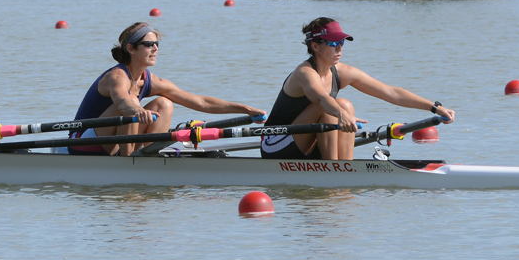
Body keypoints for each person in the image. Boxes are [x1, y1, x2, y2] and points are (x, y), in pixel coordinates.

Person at [260, 17, 455, 161]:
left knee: (346, 104)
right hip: (276, 144)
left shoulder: (342, 72)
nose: (340, 49)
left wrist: (434, 107)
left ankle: (345, 166)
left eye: (341, 43)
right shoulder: (304, 73)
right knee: (333, 107)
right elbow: (320, 99)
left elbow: (391, 93)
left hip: (307, 139)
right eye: (333, 43)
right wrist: (341, 115)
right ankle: (334, 170)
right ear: (316, 46)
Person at [68, 22, 264, 155]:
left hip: (112, 139)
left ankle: (144, 156)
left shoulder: (151, 81)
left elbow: (201, 102)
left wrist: (245, 109)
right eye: (148, 44)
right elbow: (123, 102)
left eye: (157, 44)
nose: (155, 49)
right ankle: (128, 163)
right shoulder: (116, 76)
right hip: (83, 142)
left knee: (164, 104)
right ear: (130, 48)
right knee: (133, 103)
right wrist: (138, 110)